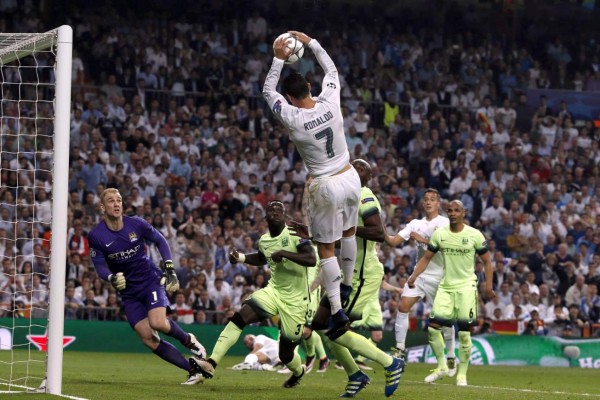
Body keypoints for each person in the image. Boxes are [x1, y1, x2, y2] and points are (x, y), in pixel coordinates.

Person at [263, 30, 361, 334]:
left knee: (326, 249)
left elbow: (268, 91)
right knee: (349, 233)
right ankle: (346, 285)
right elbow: (331, 70)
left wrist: (278, 60)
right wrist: (311, 42)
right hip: (350, 174)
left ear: (290, 97)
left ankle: (337, 309)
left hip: (324, 183)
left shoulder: (291, 116)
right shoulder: (330, 100)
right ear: (309, 86)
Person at [288, 159, 404, 398]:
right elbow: (338, 240)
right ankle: (355, 375)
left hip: (364, 274)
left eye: (360, 168)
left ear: (368, 177)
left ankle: (390, 362)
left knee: (336, 329)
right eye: (351, 166)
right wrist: (313, 234)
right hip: (348, 272)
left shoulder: (364, 195)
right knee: (320, 325)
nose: (353, 170)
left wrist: (345, 229)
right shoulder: (345, 199)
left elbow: (377, 233)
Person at [192, 201, 317, 389]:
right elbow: (261, 257)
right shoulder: (265, 240)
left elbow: (311, 259)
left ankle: (298, 372)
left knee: (285, 355)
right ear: (265, 218)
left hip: (297, 301)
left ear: (285, 216)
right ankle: (211, 362)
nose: (275, 212)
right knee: (239, 317)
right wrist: (240, 257)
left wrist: (284, 254)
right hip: (274, 291)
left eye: (279, 210)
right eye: (271, 210)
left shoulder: (294, 234)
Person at [88, 188, 205, 385]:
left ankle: (188, 339)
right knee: (148, 339)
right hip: (128, 292)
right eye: (111, 201)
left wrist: (169, 269)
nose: (116, 204)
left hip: (150, 280)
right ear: (102, 207)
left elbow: (160, 240)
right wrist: (112, 278)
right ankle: (193, 371)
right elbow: (99, 266)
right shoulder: (96, 235)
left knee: (158, 322)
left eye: (119, 200)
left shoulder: (136, 224)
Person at [407, 200, 495, 386]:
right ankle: (442, 366)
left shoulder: (474, 235)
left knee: (464, 333)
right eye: (450, 211)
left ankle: (462, 374)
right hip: (446, 287)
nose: (453, 213)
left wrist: (488, 286)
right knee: (433, 328)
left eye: (457, 210)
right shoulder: (440, 234)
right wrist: (414, 276)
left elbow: (487, 261)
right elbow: (427, 258)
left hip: (466, 287)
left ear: (463, 213)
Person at [383, 188, 457, 380]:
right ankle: (399, 349)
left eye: (433, 199)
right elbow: (393, 242)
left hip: (440, 276)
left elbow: (446, 249)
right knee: (403, 305)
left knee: (445, 320)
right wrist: (379, 228)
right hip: (420, 275)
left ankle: (451, 355)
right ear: (422, 203)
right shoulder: (415, 223)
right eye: (426, 199)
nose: (428, 202)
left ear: (438, 203)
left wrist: (422, 239)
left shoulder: (445, 223)